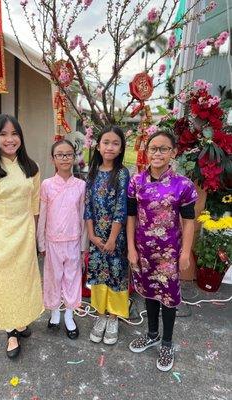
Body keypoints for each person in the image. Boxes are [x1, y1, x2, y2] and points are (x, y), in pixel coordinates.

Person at [0, 114, 44, 359]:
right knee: (1, 281)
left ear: (21, 137)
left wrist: (33, 238)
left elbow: (34, 207)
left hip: (24, 236)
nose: (9, 139)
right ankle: (11, 331)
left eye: (14, 133)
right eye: (3, 134)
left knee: (22, 282)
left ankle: (21, 320)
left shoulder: (31, 168)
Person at [127, 130, 198, 372]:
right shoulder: (136, 182)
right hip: (143, 251)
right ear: (146, 152)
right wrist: (130, 248)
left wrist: (186, 252)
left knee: (168, 297)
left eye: (163, 149)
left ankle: (167, 342)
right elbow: (131, 216)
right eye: (153, 148)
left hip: (170, 254)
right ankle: (152, 334)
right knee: (149, 292)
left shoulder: (183, 185)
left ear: (173, 152)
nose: (157, 153)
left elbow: (189, 220)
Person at [84, 126, 130, 345]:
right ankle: (100, 315)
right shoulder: (92, 172)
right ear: (98, 145)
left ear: (121, 148)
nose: (110, 147)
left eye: (115, 143)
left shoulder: (122, 173)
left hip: (116, 238)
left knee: (116, 275)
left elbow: (122, 208)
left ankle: (113, 317)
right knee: (98, 275)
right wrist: (92, 236)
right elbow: (88, 207)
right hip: (96, 238)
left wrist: (112, 239)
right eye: (106, 142)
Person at [37, 139, 87, 339]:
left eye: (68, 154)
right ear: (53, 159)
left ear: (74, 158)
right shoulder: (47, 185)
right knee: (53, 278)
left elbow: (84, 216)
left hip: (74, 241)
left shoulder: (81, 185)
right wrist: (41, 242)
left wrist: (84, 245)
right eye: (60, 155)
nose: (65, 158)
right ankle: (54, 313)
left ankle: (69, 315)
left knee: (72, 279)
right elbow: (42, 215)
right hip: (52, 241)